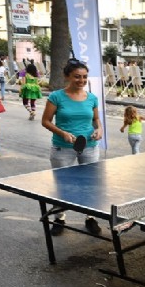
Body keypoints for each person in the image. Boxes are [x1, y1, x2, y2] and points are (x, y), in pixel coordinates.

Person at [41, 59, 103, 236]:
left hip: (89, 146)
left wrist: (99, 129)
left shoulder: (92, 98)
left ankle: (90, 217)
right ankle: (59, 217)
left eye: (84, 77)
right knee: (62, 184)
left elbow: (96, 119)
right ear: (67, 76)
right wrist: (63, 134)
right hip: (63, 147)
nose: (81, 80)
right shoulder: (56, 97)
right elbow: (45, 121)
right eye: (77, 77)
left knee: (89, 184)